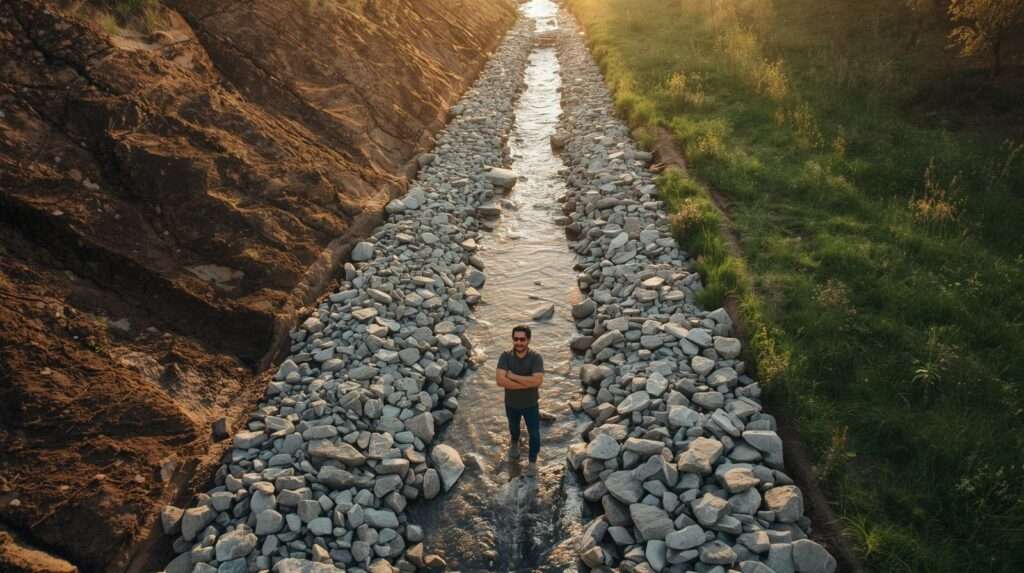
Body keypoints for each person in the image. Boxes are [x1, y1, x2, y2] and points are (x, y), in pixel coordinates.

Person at [495, 324, 544, 477]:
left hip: (531, 404)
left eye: (522, 339)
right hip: (511, 404)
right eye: (516, 339)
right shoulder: (505, 356)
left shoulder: (536, 357)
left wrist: (513, 376)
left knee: (534, 433)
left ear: (528, 340)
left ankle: (532, 461)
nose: (519, 342)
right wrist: (527, 383)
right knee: (514, 428)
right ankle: (515, 443)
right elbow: (500, 381)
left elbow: (538, 381)